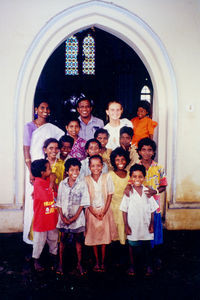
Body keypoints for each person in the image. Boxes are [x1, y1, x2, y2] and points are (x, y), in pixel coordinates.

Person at [23, 100, 64, 244]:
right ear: (36, 109)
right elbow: (26, 149)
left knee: (50, 202)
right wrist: (31, 171)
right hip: (35, 169)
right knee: (36, 202)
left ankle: (51, 239)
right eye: (42, 108)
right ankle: (34, 238)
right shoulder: (29, 126)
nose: (45, 110)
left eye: (47, 108)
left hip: (48, 168)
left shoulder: (51, 128)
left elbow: (59, 141)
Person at [127, 138, 167, 270]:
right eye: (143, 149)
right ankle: (137, 262)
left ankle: (152, 260)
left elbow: (163, 186)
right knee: (138, 235)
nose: (146, 153)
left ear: (153, 152)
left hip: (153, 208)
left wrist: (155, 191)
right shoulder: (135, 167)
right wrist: (127, 188)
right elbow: (130, 183)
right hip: (138, 208)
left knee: (152, 235)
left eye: (149, 150)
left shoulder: (159, 168)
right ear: (139, 151)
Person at [120, 164, 158, 276]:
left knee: (147, 246)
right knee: (132, 246)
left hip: (146, 225)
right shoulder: (128, 192)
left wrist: (152, 224)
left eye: (140, 177)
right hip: (133, 225)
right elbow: (124, 210)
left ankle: (148, 266)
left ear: (144, 178)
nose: (137, 179)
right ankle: (132, 266)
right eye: (134, 176)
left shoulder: (148, 192)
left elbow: (152, 209)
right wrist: (126, 226)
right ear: (130, 178)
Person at [56, 158, 90, 275]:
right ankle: (60, 264)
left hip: (77, 218)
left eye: (77, 170)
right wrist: (63, 217)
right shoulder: (62, 184)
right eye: (72, 170)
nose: (75, 172)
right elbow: (59, 202)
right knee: (63, 240)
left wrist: (75, 217)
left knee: (78, 240)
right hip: (63, 218)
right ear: (67, 171)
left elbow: (83, 202)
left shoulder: (82, 184)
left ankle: (79, 264)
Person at [84, 155, 117, 272]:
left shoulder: (106, 177)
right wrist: (93, 212)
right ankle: (96, 261)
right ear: (89, 167)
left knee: (103, 237)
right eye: (93, 166)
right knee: (93, 237)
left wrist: (104, 211)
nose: (96, 168)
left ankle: (103, 261)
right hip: (91, 211)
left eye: (98, 165)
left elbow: (109, 195)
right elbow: (85, 198)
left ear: (102, 167)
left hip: (104, 211)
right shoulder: (86, 179)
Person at [31, 159, 59, 272]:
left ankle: (54, 256)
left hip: (52, 218)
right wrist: (52, 182)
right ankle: (36, 259)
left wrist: (53, 182)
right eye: (48, 168)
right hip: (41, 220)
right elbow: (48, 197)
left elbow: (55, 193)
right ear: (42, 172)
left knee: (53, 239)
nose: (51, 170)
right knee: (39, 241)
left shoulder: (46, 180)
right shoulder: (37, 183)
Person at [109, 147, 130, 246]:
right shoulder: (110, 175)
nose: (120, 162)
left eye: (122, 159)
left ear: (126, 160)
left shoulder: (130, 175)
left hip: (127, 207)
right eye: (117, 160)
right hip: (113, 207)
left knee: (125, 230)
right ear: (113, 161)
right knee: (114, 231)